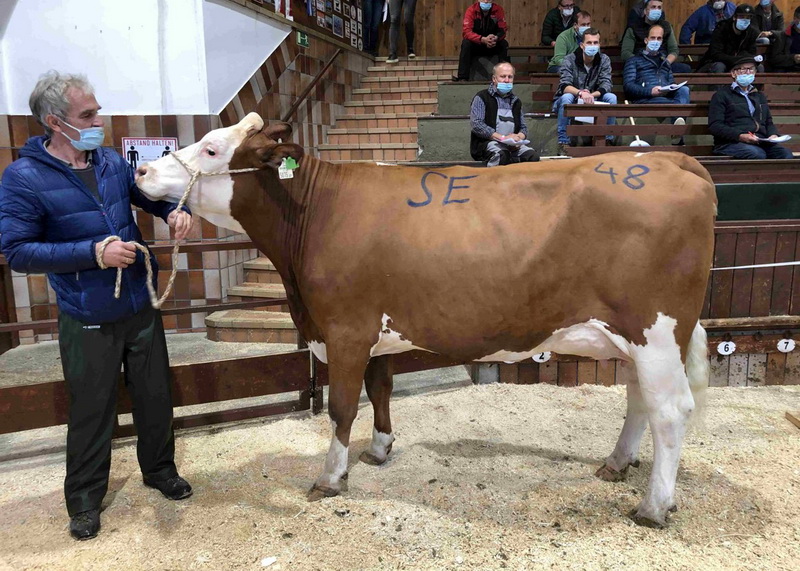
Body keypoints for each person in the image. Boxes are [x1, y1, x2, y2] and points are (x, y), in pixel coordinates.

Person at [0, 72, 194, 541]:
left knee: (154, 395)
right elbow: (17, 250)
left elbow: (142, 196)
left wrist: (172, 212)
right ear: (54, 121)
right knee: (91, 408)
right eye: (88, 115)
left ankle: (160, 470)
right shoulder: (23, 177)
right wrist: (94, 253)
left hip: (139, 305)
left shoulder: (108, 161)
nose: (99, 121)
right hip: (87, 313)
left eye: (96, 111)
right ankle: (85, 500)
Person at [708, 56, 794, 158]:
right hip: (731, 142)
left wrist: (773, 135)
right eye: (744, 69)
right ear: (733, 73)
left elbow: (768, 122)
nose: (748, 72)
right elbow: (715, 125)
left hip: (760, 141)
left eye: (751, 69)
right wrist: (740, 136)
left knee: (785, 154)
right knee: (757, 154)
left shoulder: (759, 95)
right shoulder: (721, 95)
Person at [552, 28, 617, 155]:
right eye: (589, 43)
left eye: (595, 43)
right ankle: (563, 142)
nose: (593, 46)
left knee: (611, 97)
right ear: (582, 45)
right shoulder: (569, 59)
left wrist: (591, 95)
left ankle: (607, 140)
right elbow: (564, 85)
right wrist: (581, 93)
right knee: (566, 97)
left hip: (593, 98)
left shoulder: (604, 60)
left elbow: (606, 84)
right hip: (572, 98)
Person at [624, 24, 691, 145]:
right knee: (678, 107)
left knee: (684, 90)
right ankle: (678, 134)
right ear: (646, 40)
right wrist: (650, 91)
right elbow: (628, 86)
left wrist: (670, 88)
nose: (655, 41)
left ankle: (677, 128)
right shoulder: (634, 61)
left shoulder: (665, 62)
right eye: (653, 38)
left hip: (664, 97)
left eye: (659, 38)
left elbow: (671, 83)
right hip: (646, 99)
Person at [470, 62, 539, 166]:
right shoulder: (482, 97)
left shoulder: (516, 101)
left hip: (513, 146)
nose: (507, 80)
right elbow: (477, 124)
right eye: (503, 76)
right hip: (489, 143)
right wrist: (502, 138)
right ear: (494, 79)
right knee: (502, 155)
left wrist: (518, 138)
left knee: (532, 156)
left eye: (510, 77)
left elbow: (523, 128)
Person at [621, 0, 692, 73]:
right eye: (653, 7)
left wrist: (666, 63)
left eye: (659, 7)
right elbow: (626, 53)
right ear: (645, 11)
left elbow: (674, 50)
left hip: (662, 62)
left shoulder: (667, 27)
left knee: (685, 69)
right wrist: (641, 63)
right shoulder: (633, 28)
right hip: (640, 64)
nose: (656, 10)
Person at [453, 1, 508, 81]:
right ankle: (463, 78)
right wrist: (482, 39)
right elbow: (467, 32)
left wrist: (496, 38)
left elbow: (503, 30)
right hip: (477, 44)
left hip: (493, 43)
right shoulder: (471, 10)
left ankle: (505, 75)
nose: (485, 1)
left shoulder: (498, 10)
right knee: (466, 43)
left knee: (504, 44)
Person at [698, 4, 762, 72]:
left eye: (748, 18)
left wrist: (742, 60)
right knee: (720, 66)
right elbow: (716, 54)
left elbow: (751, 52)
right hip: (717, 62)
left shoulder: (751, 32)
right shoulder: (722, 29)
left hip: (740, 62)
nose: (745, 20)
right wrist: (735, 60)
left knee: (759, 67)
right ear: (734, 17)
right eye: (741, 17)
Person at [766, 6, 800, 71]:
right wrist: (793, 58)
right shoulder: (782, 36)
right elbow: (774, 59)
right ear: (795, 19)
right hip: (789, 71)